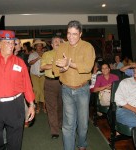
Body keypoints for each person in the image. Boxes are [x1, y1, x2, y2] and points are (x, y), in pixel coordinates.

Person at [0, 30, 35, 150]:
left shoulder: (20, 63)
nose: (10, 45)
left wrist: (31, 104)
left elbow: (27, 85)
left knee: (15, 141)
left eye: (12, 43)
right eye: (7, 42)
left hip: (15, 106)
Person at [52, 20, 95, 150]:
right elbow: (55, 68)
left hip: (82, 90)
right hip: (66, 90)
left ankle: (82, 143)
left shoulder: (88, 47)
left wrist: (69, 63)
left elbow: (88, 67)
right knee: (68, 125)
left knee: (83, 124)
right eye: (69, 33)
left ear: (80, 34)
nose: (71, 37)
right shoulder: (61, 47)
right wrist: (62, 69)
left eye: (74, 34)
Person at [40, 36, 63, 139]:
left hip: (63, 83)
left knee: (61, 105)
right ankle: (54, 131)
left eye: (59, 41)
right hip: (49, 82)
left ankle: (60, 123)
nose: (57, 42)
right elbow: (42, 67)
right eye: (55, 41)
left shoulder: (65, 54)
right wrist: (55, 64)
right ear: (52, 45)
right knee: (51, 107)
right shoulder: (46, 54)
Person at [28, 39, 46, 113]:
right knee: (36, 90)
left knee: (42, 90)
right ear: (35, 47)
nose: (39, 47)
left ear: (42, 47)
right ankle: (37, 106)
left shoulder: (45, 54)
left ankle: (44, 107)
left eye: (40, 46)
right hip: (34, 74)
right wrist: (38, 58)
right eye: (38, 46)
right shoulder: (32, 54)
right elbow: (30, 63)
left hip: (43, 74)